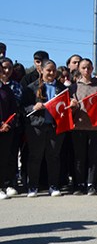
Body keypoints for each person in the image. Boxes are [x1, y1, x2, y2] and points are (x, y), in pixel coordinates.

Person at [21, 59, 68, 197]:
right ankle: (32, 186)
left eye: (54, 70)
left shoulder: (62, 88)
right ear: (41, 70)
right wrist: (33, 107)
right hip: (36, 127)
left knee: (53, 157)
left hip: (55, 127)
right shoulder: (31, 87)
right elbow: (23, 107)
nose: (51, 73)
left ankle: (53, 186)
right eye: (48, 70)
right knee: (35, 157)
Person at [68, 58, 97, 195]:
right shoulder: (73, 87)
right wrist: (73, 106)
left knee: (94, 157)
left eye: (89, 67)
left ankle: (91, 183)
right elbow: (67, 108)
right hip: (78, 126)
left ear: (93, 68)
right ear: (79, 69)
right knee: (79, 157)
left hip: (96, 127)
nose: (86, 70)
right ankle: (79, 183)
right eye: (83, 67)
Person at [0, 57, 18, 199]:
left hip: (7, 129)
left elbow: (13, 109)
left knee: (5, 158)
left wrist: (8, 124)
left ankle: (5, 185)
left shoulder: (6, 89)